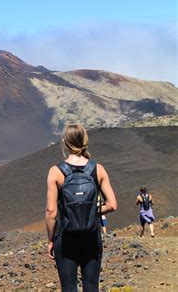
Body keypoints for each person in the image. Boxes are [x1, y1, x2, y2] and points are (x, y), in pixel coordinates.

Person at [45, 124, 117, 292]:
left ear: (65, 142)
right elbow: (112, 205)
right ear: (85, 141)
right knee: (91, 288)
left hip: (65, 238)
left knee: (69, 288)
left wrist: (50, 240)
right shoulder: (98, 169)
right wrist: (93, 210)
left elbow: (51, 212)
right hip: (91, 236)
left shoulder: (56, 172)